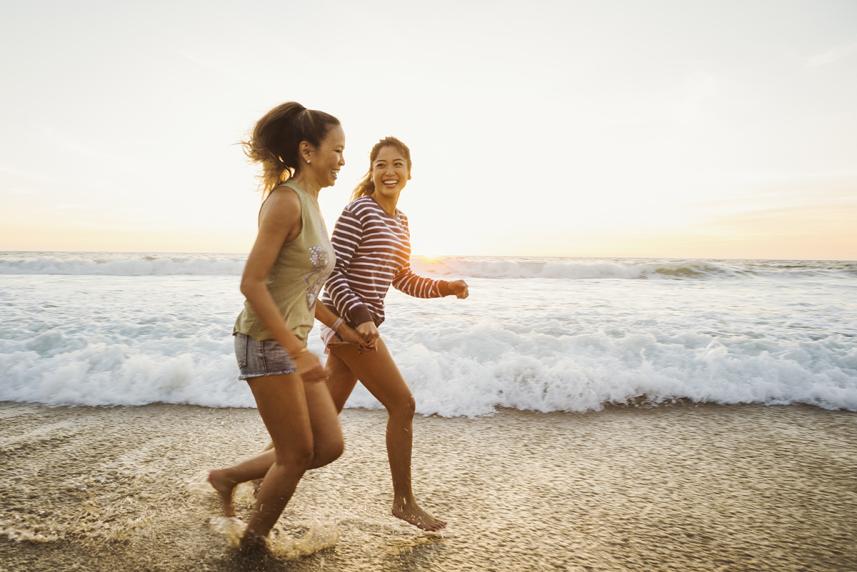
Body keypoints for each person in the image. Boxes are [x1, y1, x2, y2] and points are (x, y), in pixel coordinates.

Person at [206, 102, 369, 552]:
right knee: (296, 453)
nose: (342, 160)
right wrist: (297, 353)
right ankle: (253, 543)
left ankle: (229, 477)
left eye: (344, 151)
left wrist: (342, 328)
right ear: (307, 151)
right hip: (264, 342)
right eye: (337, 150)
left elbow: (304, 289)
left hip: (293, 343)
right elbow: (252, 284)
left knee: (329, 445)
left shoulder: (314, 204)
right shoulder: (284, 202)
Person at [321, 137, 469, 531]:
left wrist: (444, 287)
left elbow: (402, 277)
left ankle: (247, 476)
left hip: (361, 326)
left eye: (398, 164)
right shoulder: (358, 211)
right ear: (370, 172)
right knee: (402, 404)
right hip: (348, 325)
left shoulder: (400, 221)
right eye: (381, 164)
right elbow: (331, 273)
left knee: (318, 425)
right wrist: (360, 316)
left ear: (409, 172)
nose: (389, 171)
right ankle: (403, 502)